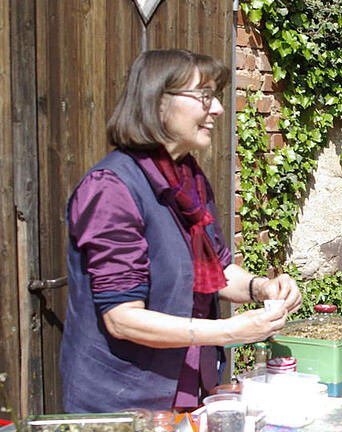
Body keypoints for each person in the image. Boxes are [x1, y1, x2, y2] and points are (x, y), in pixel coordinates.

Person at [60, 49, 302, 413]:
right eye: (204, 96)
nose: (218, 109)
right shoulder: (111, 189)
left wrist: (261, 288)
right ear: (158, 101)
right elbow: (122, 318)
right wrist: (231, 332)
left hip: (190, 392)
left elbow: (217, 273)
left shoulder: (189, 180)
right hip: (124, 407)